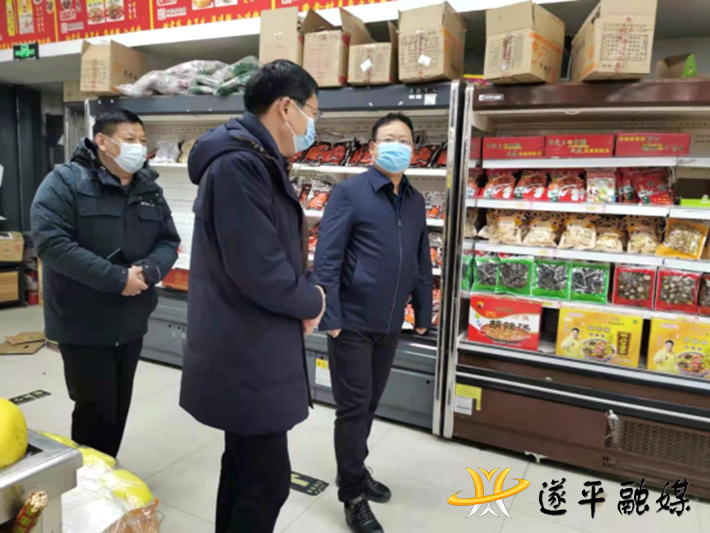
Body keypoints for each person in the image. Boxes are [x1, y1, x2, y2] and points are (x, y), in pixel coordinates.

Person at [180, 60, 326, 533]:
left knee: (243, 467)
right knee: (267, 481)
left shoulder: (256, 159)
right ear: (285, 107)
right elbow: (259, 269)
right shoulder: (239, 165)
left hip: (250, 340)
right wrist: (312, 301)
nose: (312, 124)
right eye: (311, 112)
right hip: (245, 348)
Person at [31, 110, 180, 458]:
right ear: (102, 141)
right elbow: (51, 244)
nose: (138, 147)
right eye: (129, 139)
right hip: (82, 321)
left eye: (142, 140)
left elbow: (168, 240)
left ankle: (107, 470)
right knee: (94, 410)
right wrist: (117, 279)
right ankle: (91, 481)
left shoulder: (148, 187)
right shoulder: (65, 182)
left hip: (131, 320)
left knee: (117, 408)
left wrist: (147, 272)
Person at [313, 112, 433, 533]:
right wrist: (331, 316)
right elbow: (327, 258)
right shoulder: (349, 193)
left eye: (405, 140)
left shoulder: (415, 201)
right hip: (352, 320)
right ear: (372, 147)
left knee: (370, 403)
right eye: (389, 139)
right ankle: (353, 496)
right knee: (352, 408)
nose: (398, 146)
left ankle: (355, 468)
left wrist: (423, 312)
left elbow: (421, 259)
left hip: (391, 321)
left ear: (414, 149)